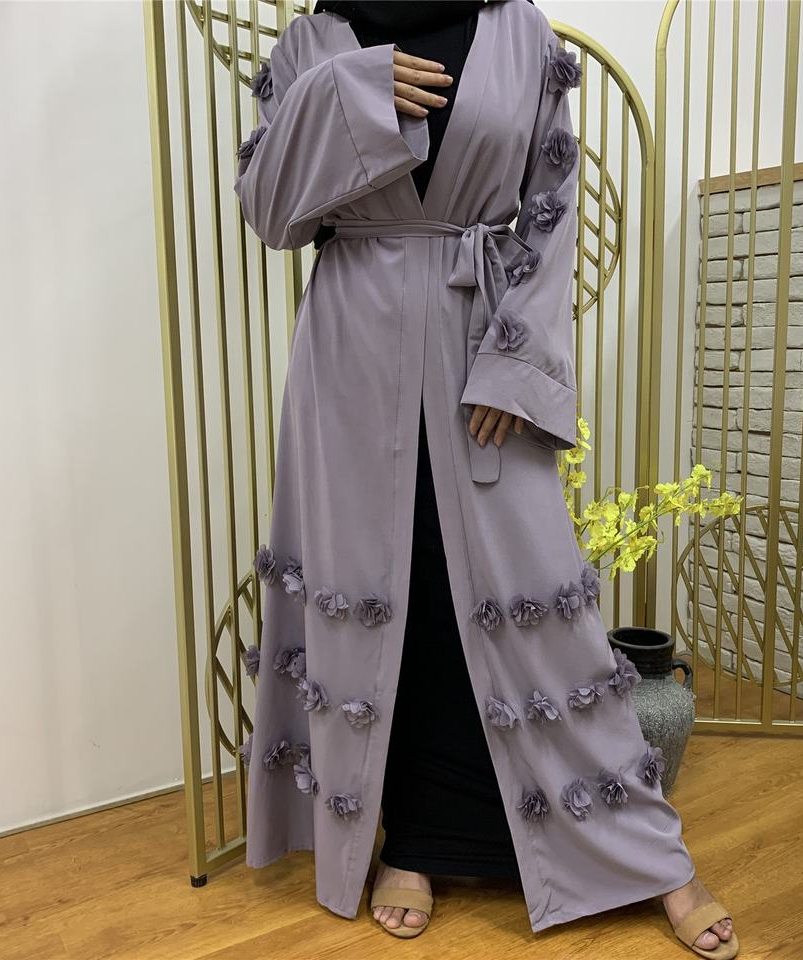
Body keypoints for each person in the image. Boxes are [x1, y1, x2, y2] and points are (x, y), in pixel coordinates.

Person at [234, 2, 738, 957]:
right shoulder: (313, 44)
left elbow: (551, 201)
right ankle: (413, 842)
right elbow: (270, 212)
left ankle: (644, 851)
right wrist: (347, 94)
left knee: (529, 589)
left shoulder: (520, 32)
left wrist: (518, 359)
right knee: (394, 593)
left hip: (481, 333)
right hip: (350, 352)